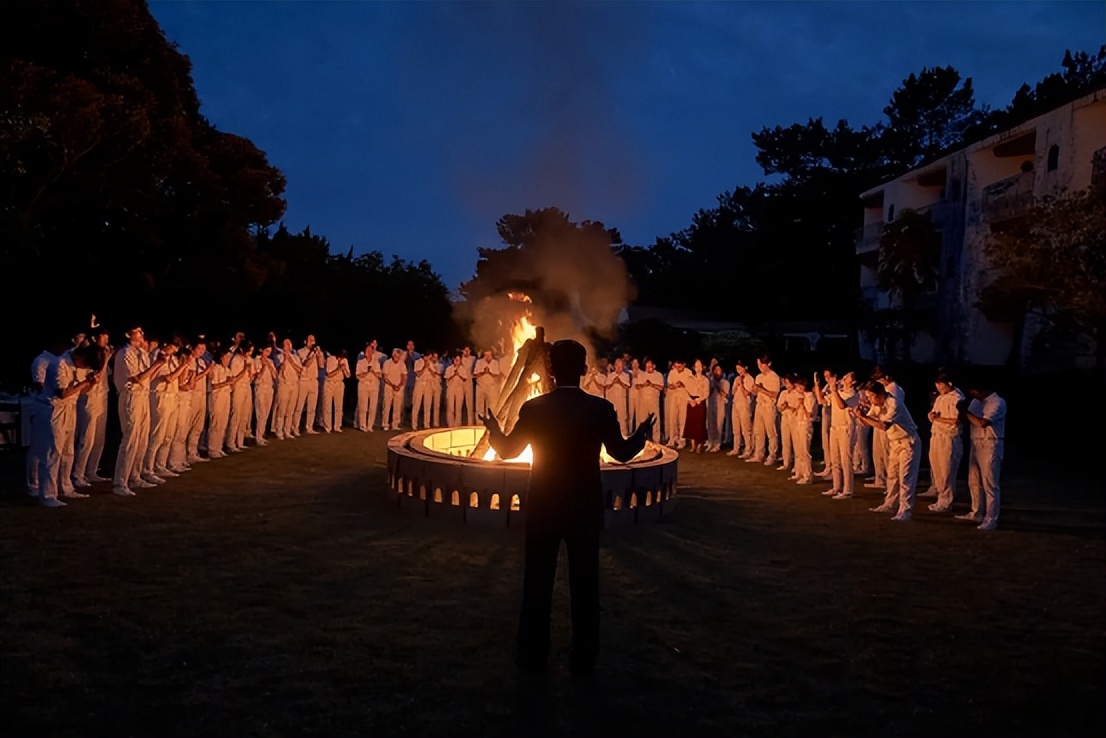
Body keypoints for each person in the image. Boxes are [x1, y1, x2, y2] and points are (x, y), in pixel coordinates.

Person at [482, 339, 655, 677]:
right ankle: (585, 654)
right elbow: (620, 453)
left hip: (544, 506)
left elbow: (507, 450)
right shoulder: (599, 409)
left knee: (537, 581)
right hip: (584, 507)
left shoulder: (535, 408)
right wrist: (641, 436)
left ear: (549, 370)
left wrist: (493, 431)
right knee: (585, 584)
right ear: (584, 369)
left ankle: (532, 654)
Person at [112, 325, 167, 496]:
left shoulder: (142, 353)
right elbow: (135, 378)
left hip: (143, 395)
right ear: (129, 334)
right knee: (131, 438)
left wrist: (158, 363)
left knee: (142, 437)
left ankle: (135, 476)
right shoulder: (125, 353)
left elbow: (148, 376)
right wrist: (156, 364)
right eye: (138, 332)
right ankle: (120, 482)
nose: (142, 334)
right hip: (131, 396)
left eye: (142, 331)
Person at [855, 381, 921, 522]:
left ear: (879, 394)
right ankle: (889, 504)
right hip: (895, 443)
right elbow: (867, 421)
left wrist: (865, 417)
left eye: (871, 396)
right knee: (892, 475)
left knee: (906, 477)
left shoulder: (894, 404)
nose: (869, 400)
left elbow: (884, 426)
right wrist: (860, 415)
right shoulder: (877, 405)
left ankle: (905, 510)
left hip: (908, 442)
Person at [959, 379, 1006, 531]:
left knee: (990, 483)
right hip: (976, 442)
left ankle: (991, 518)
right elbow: (968, 420)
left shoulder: (997, 402)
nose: (973, 394)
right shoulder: (975, 402)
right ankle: (977, 512)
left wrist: (966, 412)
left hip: (991, 443)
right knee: (974, 480)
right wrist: (962, 412)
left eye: (974, 391)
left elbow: (983, 422)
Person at [813, 369, 859, 499]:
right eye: (845, 375)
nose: (844, 378)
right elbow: (822, 401)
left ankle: (847, 490)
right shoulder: (838, 392)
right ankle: (836, 486)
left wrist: (833, 390)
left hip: (846, 429)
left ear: (853, 381)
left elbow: (841, 405)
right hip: (835, 427)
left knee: (846, 460)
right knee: (835, 459)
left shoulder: (853, 395)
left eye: (848, 377)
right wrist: (817, 385)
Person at [925, 372, 965, 513]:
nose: (939, 388)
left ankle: (946, 501)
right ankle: (940, 497)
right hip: (936, 435)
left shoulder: (957, 398)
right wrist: (932, 416)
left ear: (949, 383)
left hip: (949, 438)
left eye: (941, 385)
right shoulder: (941, 398)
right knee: (937, 469)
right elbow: (934, 413)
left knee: (946, 470)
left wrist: (938, 420)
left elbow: (956, 420)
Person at [748, 354, 781, 465]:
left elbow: (774, 394)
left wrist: (762, 389)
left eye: (762, 364)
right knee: (758, 431)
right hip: (759, 405)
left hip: (769, 407)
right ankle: (759, 454)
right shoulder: (758, 377)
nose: (760, 367)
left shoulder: (774, 377)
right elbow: (755, 392)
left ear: (768, 364)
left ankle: (772, 455)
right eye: (758, 364)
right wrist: (755, 390)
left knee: (771, 432)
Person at [726, 360, 755, 458]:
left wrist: (741, 384)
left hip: (744, 405)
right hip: (736, 404)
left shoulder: (749, 378)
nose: (738, 371)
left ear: (745, 368)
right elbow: (733, 391)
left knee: (745, 428)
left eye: (740, 368)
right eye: (737, 369)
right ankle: (736, 447)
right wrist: (737, 383)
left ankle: (748, 448)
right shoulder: (737, 378)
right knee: (736, 428)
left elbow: (747, 393)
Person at [355, 340, 385, 431]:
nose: (369, 352)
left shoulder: (376, 363)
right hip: (363, 385)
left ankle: (370, 426)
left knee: (373, 407)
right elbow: (358, 375)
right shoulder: (360, 363)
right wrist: (366, 372)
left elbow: (380, 375)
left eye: (370, 351)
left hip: (374, 386)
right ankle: (363, 425)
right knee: (363, 406)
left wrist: (373, 371)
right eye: (367, 351)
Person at [632, 358, 663, 443]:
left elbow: (661, 387)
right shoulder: (642, 375)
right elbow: (637, 386)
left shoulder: (658, 375)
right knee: (642, 420)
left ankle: (656, 440)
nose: (648, 368)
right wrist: (644, 385)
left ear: (654, 366)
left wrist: (652, 384)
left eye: (650, 367)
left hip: (653, 401)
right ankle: (641, 440)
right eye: (647, 367)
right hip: (643, 401)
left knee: (655, 421)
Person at [683, 359, 709, 453]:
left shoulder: (705, 379)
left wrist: (699, 399)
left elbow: (706, 392)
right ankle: (693, 444)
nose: (698, 368)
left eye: (700, 366)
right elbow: (685, 390)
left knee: (700, 423)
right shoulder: (690, 378)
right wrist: (690, 400)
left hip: (700, 402)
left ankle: (700, 444)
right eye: (696, 366)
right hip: (691, 402)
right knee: (692, 423)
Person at [664, 359, 691, 449]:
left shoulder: (688, 373)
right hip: (674, 396)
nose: (678, 369)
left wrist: (683, 385)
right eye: (676, 367)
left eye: (680, 367)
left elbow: (691, 386)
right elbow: (669, 384)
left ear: (684, 365)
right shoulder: (672, 372)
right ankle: (672, 439)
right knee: (672, 417)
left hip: (684, 397)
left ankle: (682, 440)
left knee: (682, 419)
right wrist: (673, 386)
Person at [381, 348, 408, 431]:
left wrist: (399, 385)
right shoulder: (387, 363)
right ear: (393, 355)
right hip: (389, 386)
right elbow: (385, 376)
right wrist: (393, 385)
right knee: (387, 406)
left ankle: (395, 424)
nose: (397, 357)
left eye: (399, 356)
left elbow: (404, 375)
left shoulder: (402, 363)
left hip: (398, 387)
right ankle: (385, 424)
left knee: (397, 406)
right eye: (396, 355)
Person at [705, 364, 729, 452]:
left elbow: (724, 394)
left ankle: (717, 443)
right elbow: (708, 393)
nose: (716, 372)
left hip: (720, 405)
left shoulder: (725, 382)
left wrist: (717, 385)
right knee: (710, 424)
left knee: (718, 425)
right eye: (715, 370)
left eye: (718, 370)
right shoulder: (710, 381)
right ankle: (710, 442)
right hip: (711, 405)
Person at [473, 349, 502, 422]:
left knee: (492, 406)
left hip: (491, 387)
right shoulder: (479, 362)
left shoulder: (495, 363)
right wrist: (483, 372)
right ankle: (479, 423)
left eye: (489, 355)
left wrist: (489, 372)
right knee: (479, 406)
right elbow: (475, 375)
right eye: (486, 355)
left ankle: (492, 423)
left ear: (492, 355)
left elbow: (497, 375)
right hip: (481, 386)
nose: (487, 357)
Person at [444, 353, 469, 427]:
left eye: (458, 360)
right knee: (450, 407)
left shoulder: (463, 369)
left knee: (458, 407)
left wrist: (458, 374)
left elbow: (464, 378)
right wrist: (453, 374)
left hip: (459, 389)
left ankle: (457, 424)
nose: (457, 361)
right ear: (453, 360)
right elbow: (446, 378)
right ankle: (450, 424)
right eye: (455, 360)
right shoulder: (449, 368)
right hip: (451, 388)